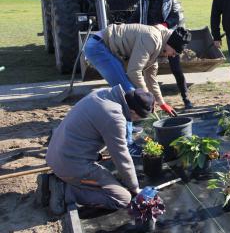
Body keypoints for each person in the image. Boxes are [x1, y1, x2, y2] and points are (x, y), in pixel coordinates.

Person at [42, 85, 155, 215]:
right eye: (139, 119)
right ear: (133, 112)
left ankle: (60, 179)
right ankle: (66, 191)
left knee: (114, 180)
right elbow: (121, 156)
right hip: (69, 163)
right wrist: (135, 188)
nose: (136, 122)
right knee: (122, 198)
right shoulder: (114, 116)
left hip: (55, 153)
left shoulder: (103, 93)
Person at [84, 24, 191, 156]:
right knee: (129, 94)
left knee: (132, 93)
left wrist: (161, 103)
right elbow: (134, 71)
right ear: (170, 43)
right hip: (99, 47)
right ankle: (128, 144)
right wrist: (146, 98)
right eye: (174, 52)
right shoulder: (153, 38)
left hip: (106, 48)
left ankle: (127, 126)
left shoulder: (159, 46)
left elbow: (151, 78)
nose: (172, 56)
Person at [130, 0, 193, 109]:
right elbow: (136, 16)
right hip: (149, 40)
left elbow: (176, 16)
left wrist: (164, 25)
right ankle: (144, 103)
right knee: (145, 71)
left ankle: (186, 98)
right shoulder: (143, 0)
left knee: (176, 69)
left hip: (168, 38)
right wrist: (127, 26)